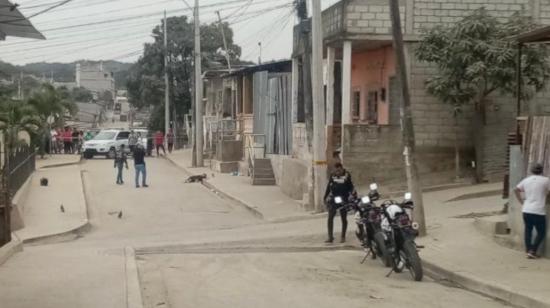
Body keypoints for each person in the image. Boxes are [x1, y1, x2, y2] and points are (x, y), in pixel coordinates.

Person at [514, 163, 550, 259]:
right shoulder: (546, 180)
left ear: (531, 171)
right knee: (541, 232)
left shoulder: (526, 180)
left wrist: (521, 201)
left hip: (526, 210)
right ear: (542, 170)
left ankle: (528, 250)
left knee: (528, 230)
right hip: (538, 211)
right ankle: (533, 251)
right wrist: (546, 198)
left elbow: (516, 189)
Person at [323, 162, 355, 243]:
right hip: (334, 198)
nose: (338, 172)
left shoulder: (347, 175)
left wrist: (352, 195)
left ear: (342, 168)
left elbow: (351, 187)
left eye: (339, 170)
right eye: (336, 170)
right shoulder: (332, 175)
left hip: (344, 198)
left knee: (343, 218)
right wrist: (325, 197)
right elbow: (329, 186)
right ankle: (330, 237)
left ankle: (343, 236)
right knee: (330, 217)